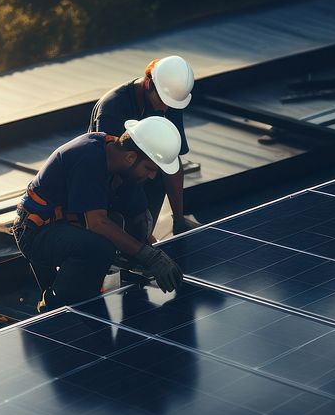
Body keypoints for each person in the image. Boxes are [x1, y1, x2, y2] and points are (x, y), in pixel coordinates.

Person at [12, 116, 184, 312]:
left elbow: (137, 215)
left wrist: (149, 248)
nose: (152, 176)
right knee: (99, 248)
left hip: (66, 226)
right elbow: (97, 223)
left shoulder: (116, 156)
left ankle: (85, 292)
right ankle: (57, 305)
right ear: (130, 157)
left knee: (126, 228)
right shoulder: (89, 157)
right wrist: (150, 256)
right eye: (149, 169)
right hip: (35, 233)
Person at [89, 55, 201, 240]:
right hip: (114, 183)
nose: (166, 109)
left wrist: (179, 218)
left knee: (144, 242)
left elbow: (173, 160)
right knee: (132, 243)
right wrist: (142, 236)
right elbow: (115, 170)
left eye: (171, 104)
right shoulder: (113, 108)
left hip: (148, 176)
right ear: (149, 84)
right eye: (163, 102)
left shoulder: (170, 98)